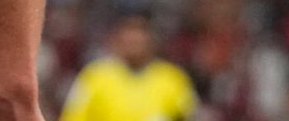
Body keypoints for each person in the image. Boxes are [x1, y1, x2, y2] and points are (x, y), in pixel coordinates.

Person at [60, 17, 199, 121]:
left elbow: (189, 114)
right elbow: (73, 116)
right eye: (130, 41)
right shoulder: (95, 77)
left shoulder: (172, 78)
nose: (134, 46)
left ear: (151, 42)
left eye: (139, 41)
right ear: (118, 41)